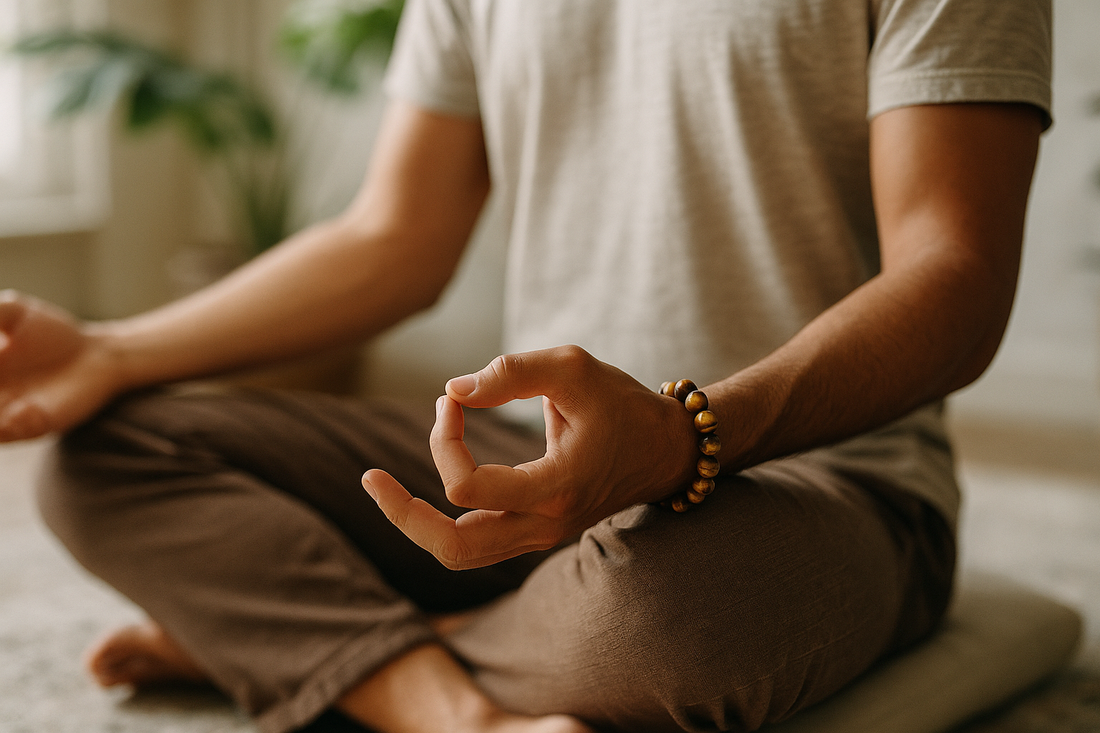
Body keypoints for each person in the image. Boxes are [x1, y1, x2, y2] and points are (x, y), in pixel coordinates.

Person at [0, 0, 1051, 731]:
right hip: (533, 451)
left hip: (821, 474)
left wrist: (682, 436)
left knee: (671, 633)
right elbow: (393, 237)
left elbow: (954, 279)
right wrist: (109, 348)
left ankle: (307, 640)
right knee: (105, 449)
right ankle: (437, 700)